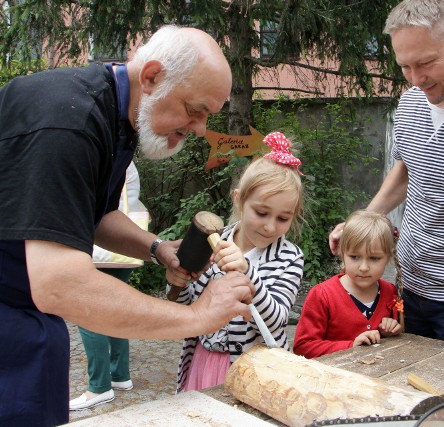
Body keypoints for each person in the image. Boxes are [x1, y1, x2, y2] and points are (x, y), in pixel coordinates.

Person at [0, 25, 255, 426]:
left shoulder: (121, 117)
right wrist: (198, 317)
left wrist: (156, 248)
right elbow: (59, 285)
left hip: (30, 314)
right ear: (152, 76)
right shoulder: (68, 122)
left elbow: (95, 214)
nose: (201, 129)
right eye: (196, 110)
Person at [329, 0, 444, 348]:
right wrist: (362, 220)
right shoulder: (410, 103)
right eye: (405, 66)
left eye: (425, 63)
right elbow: (406, 171)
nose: (416, 78)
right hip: (407, 287)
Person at [166, 132, 305, 392]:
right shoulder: (213, 242)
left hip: (256, 371)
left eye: (283, 218)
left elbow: (276, 322)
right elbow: (188, 307)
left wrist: (248, 273)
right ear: (239, 199)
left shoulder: (289, 257)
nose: (270, 226)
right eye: (261, 213)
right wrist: (178, 282)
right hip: (204, 362)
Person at [70, 162, 146, 410]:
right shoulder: (128, 162)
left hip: (99, 248)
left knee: (87, 314)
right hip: (123, 250)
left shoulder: (104, 153)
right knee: (116, 312)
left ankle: (99, 387)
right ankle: (120, 376)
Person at [295, 210, 403, 359]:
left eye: (374, 258)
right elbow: (303, 347)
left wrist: (391, 329)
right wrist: (350, 346)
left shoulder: (390, 291)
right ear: (342, 252)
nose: (364, 267)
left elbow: (400, 334)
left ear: (388, 257)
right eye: (354, 257)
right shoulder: (322, 295)